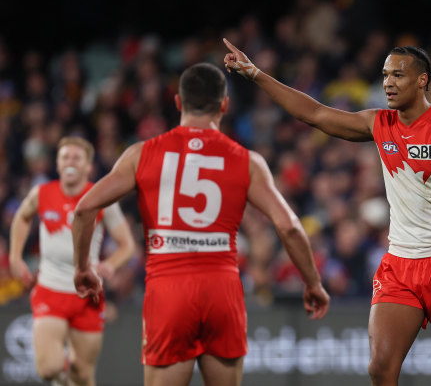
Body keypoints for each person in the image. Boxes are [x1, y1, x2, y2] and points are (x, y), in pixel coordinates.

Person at [224, 39, 431, 385]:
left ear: (422, 80)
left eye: (398, 75)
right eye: (384, 75)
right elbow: (315, 114)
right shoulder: (378, 124)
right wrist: (256, 73)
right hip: (400, 264)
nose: (388, 83)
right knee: (380, 369)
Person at [72, 62, 330, 386]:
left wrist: (84, 266)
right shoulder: (247, 161)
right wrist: (313, 283)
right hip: (222, 289)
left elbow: (84, 209)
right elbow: (289, 226)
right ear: (224, 105)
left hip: (168, 289)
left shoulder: (141, 154)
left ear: (178, 103)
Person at [9, 136, 135, 386]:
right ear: (57, 163)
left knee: (83, 374)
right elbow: (22, 217)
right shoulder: (42, 193)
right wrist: (14, 255)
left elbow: (128, 245)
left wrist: (111, 265)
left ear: (88, 166)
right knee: (48, 368)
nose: (70, 162)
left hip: (88, 295)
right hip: (50, 289)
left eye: (76, 157)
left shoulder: (100, 197)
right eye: (65, 156)